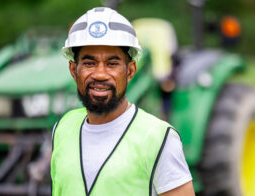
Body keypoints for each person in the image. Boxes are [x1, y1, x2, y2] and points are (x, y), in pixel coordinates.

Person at [51, 7, 195, 196]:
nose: (100, 74)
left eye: (112, 64)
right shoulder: (62, 128)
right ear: (73, 70)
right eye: (89, 63)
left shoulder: (157, 138)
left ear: (130, 71)